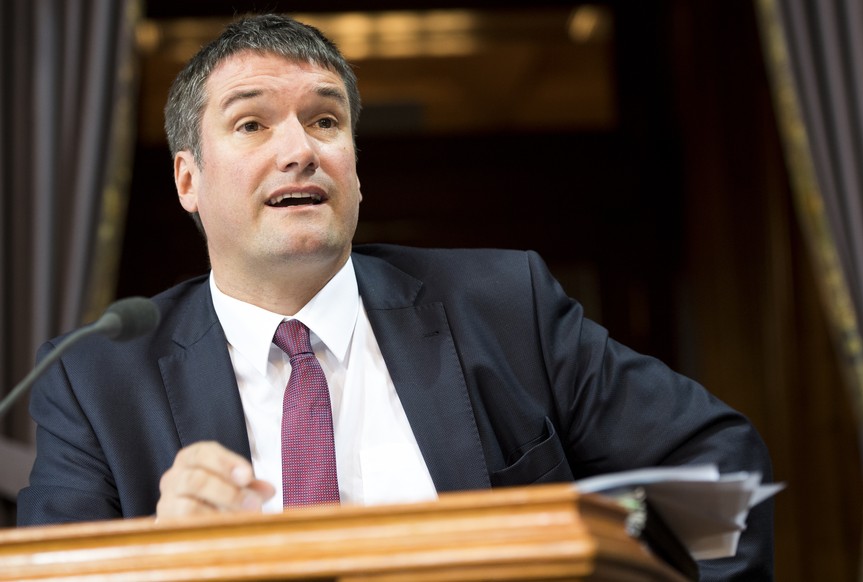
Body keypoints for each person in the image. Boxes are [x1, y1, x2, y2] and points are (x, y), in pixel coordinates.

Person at [17, 13, 773, 580]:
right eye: (251, 122)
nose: (299, 149)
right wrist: (159, 561)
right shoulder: (95, 378)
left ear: (353, 167)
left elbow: (719, 471)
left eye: (324, 120)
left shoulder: (505, 306)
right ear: (188, 179)